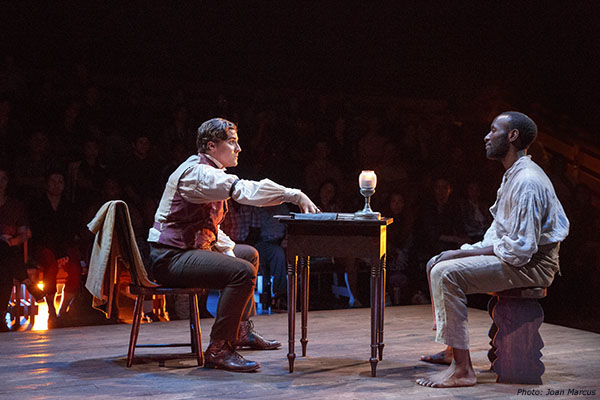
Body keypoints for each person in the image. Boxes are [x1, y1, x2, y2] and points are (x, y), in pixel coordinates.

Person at [147, 118, 318, 372]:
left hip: (187, 251)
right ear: (211, 146)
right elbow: (244, 191)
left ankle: (240, 331)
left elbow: (208, 227)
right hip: (171, 257)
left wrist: (228, 251)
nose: (238, 148)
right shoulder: (197, 173)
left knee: (248, 255)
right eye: (232, 142)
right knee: (242, 272)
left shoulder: (209, 172)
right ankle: (219, 348)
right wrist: (293, 194)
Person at [417, 111, 569, 388]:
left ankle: (463, 370)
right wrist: (463, 251)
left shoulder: (527, 181)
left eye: (493, 130)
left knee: (446, 273)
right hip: (520, 257)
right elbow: (498, 234)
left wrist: (460, 254)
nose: (487, 137)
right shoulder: (513, 175)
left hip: (532, 264)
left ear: (512, 136)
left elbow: (521, 249)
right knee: (435, 263)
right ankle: (452, 349)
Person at [0, 167, 44, 332]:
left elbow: (24, 234)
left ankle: (0, 317)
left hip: (9, 251)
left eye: (3, 178)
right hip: (9, 254)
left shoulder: (15, 206)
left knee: (4, 269)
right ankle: (27, 282)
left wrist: (11, 242)